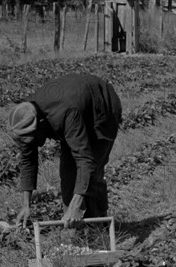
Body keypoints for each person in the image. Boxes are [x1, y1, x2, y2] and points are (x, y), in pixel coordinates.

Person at [7, 74, 122, 229]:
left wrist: (77, 204)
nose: (31, 144)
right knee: (68, 173)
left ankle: (99, 226)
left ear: (41, 124)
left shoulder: (66, 114)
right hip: (77, 106)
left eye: (32, 139)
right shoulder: (26, 115)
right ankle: (73, 226)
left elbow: (85, 160)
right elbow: (28, 159)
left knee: (91, 174)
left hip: (101, 108)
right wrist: (26, 205)